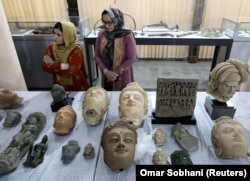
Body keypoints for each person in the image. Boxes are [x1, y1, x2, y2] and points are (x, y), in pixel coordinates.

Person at [94, 7, 137, 91]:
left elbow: (131, 58)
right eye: (104, 22)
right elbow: (97, 56)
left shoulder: (127, 36)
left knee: (124, 99)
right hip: (106, 75)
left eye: (110, 23)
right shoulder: (102, 34)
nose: (106, 26)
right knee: (108, 99)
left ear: (117, 21)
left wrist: (115, 73)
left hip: (122, 76)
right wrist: (106, 71)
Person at [41, 21, 89, 91]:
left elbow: (72, 71)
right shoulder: (51, 47)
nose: (55, 37)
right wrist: (61, 66)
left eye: (58, 35)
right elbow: (44, 66)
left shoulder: (75, 49)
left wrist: (53, 65)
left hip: (76, 84)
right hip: (59, 85)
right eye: (54, 33)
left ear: (67, 35)